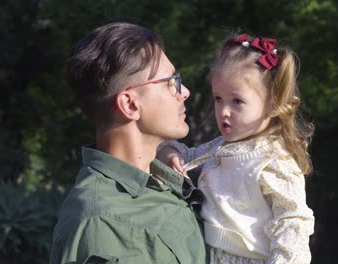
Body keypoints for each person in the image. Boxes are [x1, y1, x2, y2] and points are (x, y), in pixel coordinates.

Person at [50, 22, 206, 264]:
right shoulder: (103, 224)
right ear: (130, 105)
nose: (183, 91)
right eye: (171, 82)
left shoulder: (161, 177)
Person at [158, 33, 315, 263]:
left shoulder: (273, 160)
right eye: (218, 98)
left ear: (272, 104)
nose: (223, 111)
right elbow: (186, 156)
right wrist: (168, 152)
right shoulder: (220, 146)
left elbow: (292, 222)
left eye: (237, 101)